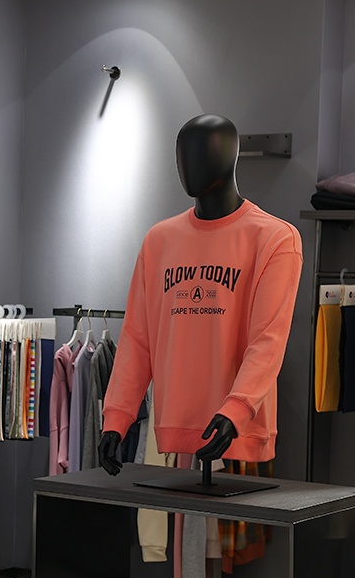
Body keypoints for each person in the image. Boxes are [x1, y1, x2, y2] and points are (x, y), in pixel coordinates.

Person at [98, 114, 302, 476]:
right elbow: (137, 340)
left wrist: (236, 410)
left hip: (236, 434)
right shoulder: (159, 241)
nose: (187, 166)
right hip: (174, 428)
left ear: (230, 157)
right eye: (182, 156)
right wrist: (117, 417)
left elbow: (268, 341)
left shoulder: (274, 239)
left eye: (200, 154)